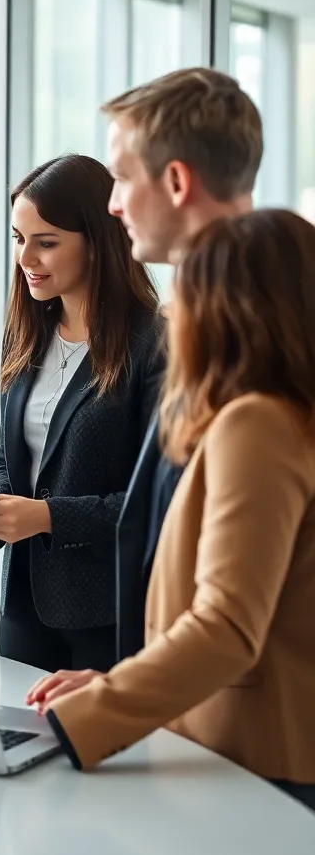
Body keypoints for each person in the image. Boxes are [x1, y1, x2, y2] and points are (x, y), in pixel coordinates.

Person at [29, 209, 315, 814]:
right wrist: (116, 682)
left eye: (183, 290)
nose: (166, 311)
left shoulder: (257, 423)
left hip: (252, 756)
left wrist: (90, 717)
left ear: (230, 310)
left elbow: (226, 627)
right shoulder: (286, 415)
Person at [0, 155, 162, 673]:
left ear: (99, 241)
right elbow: (10, 457)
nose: (26, 257)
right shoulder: (25, 336)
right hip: (22, 602)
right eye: (18, 238)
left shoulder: (153, 345)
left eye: (46, 242)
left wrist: (44, 517)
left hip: (108, 611)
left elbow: (155, 501)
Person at [103, 67, 261, 660]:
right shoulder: (195, 321)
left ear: (175, 181)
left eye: (121, 177)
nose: (114, 204)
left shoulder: (254, 345)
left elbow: (228, 617)